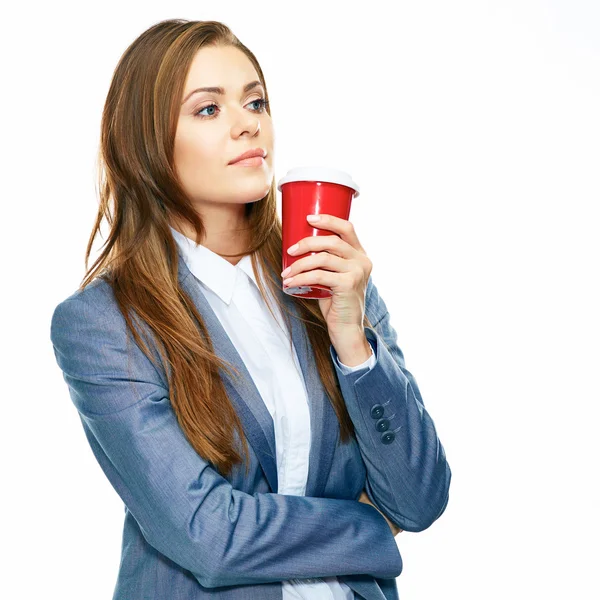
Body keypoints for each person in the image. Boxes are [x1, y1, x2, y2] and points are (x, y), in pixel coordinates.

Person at [49, 18, 451, 600]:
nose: (248, 125)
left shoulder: (330, 278)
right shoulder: (105, 322)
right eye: (208, 110)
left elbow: (419, 496)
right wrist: (371, 524)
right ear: (147, 141)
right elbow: (209, 536)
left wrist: (353, 342)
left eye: (255, 101)